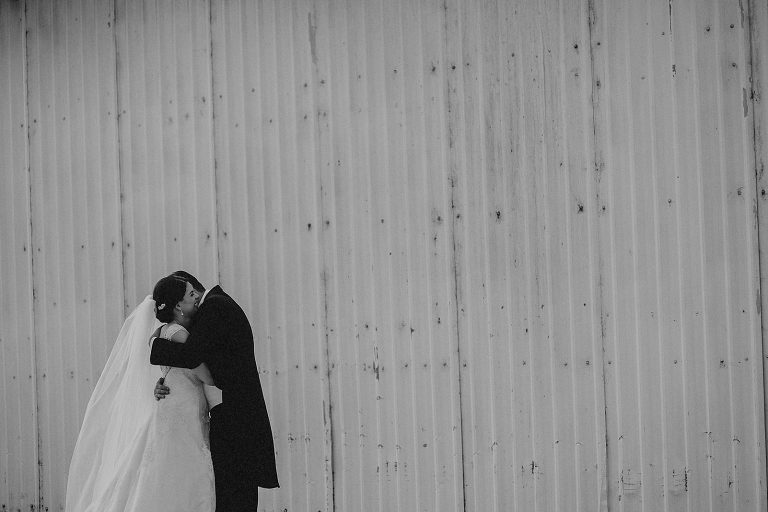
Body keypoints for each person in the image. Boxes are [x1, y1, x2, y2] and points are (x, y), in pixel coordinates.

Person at [66, 276, 216, 512]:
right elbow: (206, 374)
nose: (197, 296)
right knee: (184, 466)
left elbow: (172, 371)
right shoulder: (181, 335)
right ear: (178, 305)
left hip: (175, 404)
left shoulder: (161, 333)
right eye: (190, 295)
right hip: (182, 408)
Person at [150, 271, 279, 511]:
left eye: (192, 293)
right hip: (230, 417)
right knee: (231, 495)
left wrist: (156, 344)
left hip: (235, 419)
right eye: (190, 295)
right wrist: (166, 377)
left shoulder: (215, 306)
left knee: (234, 495)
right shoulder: (214, 306)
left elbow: (191, 355)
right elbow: (198, 360)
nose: (194, 298)